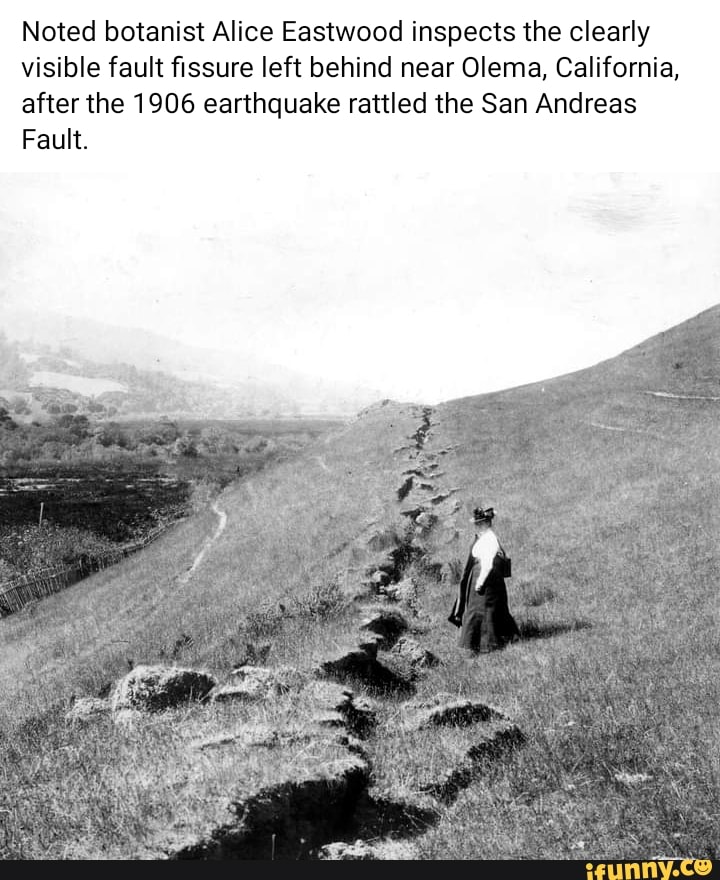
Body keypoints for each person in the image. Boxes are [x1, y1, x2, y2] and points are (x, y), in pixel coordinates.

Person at [448, 505, 520, 653]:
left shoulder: (489, 539)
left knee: (483, 611)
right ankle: (488, 642)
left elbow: (487, 564)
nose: (478, 525)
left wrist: (480, 583)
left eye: (481, 522)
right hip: (484, 577)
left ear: (487, 523)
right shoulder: (485, 537)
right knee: (486, 610)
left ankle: (488, 644)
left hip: (485, 579)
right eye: (477, 523)